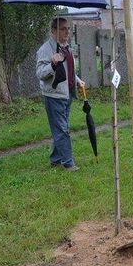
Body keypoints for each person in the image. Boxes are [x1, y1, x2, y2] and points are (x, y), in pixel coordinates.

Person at [36, 17, 85, 171]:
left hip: (67, 94)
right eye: (63, 29)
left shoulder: (66, 48)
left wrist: (77, 80)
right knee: (62, 129)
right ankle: (68, 163)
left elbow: (68, 69)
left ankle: (56, 159)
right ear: (53, 31)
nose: (67, 32)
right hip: (54, 96)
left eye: (68, 28)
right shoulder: (45, 49)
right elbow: (40, 73)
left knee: (61, 128)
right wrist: (52, 64)